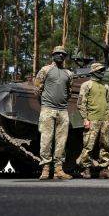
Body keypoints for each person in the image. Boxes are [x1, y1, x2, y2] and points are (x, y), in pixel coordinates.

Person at [34, 46, 73, 180]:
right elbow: (37, 87)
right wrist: (45, 102)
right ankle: (45, 169)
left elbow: (69, 91)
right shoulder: (45, 70)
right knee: (46, 140)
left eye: (63, 54)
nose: (60, 56)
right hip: (48, 109)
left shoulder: (68, 73)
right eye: (58, 53)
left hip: (63, 110)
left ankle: (58, 170)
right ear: (53, 55)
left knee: (62, 141)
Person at [76, 63, 109, 179]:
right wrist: (85, 118)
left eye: (103, 70)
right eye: (99, 70)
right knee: (88, 146)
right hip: (92, 120)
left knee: (106, 145)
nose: (102, 72)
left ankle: (104, 169)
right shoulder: (86, 85)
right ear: (93, 71)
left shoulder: (105, 86)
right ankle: (86, 169)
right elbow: (81, 103)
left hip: (104, 121)